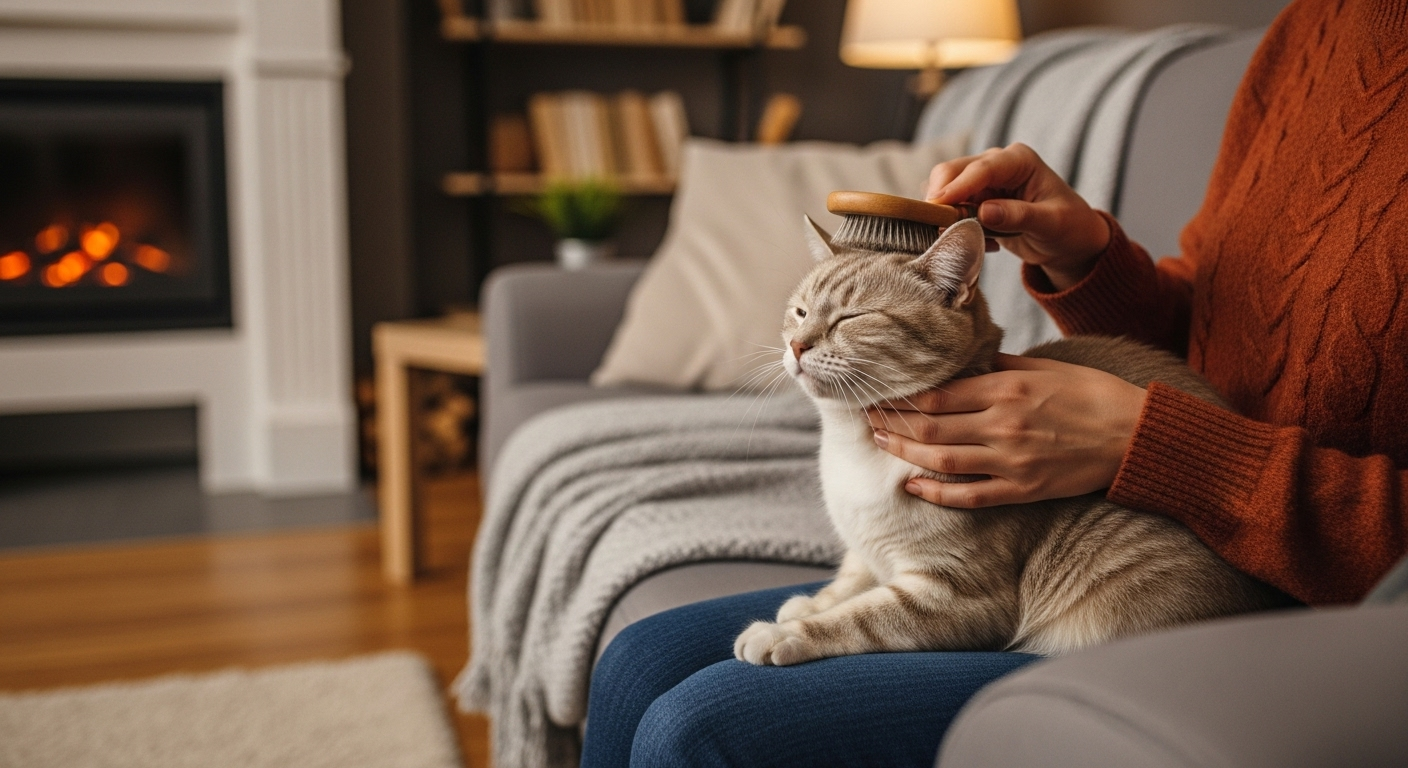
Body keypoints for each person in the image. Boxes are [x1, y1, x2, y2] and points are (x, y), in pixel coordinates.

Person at [580, 0, 1408, 764]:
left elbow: (970, 590)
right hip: (1146, 491)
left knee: (706, 726)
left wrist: (1150, 442)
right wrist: (1088, 262)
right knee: (636, 659)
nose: (798, 349)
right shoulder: (1312, 28)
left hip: (1255, 597)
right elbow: (1224, 328)